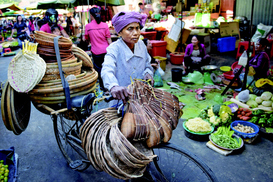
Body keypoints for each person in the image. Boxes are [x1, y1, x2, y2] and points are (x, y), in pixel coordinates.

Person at [101, 11, 154, 104]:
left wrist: (148, 73)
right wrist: (113, 86)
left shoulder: (141, 45)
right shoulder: (114, 48)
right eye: (130, 29)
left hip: (142, 98)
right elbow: (107, 69)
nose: (136, 33)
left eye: (137, 28)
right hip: (121, 101)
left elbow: (147, 65)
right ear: (120, 32)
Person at [85, 7, 112, 92]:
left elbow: (86, 39)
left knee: (99, 70)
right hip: (106, 50)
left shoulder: (88, 26)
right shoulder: (105, 25)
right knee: (108, 68)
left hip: (96, 52)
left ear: (91, 15)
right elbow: (109, 39)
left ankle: (103, 87)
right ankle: (110, 85)